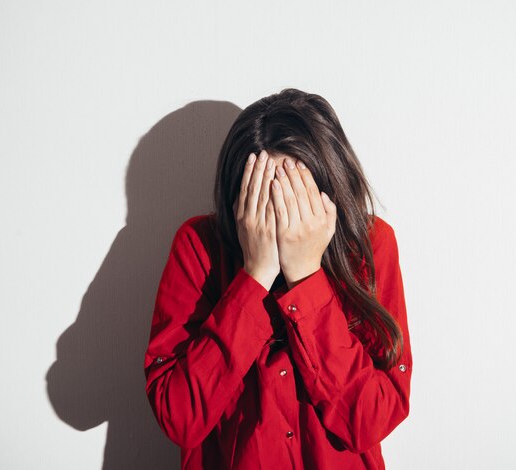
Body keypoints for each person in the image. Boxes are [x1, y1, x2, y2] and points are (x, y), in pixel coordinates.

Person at [144, 88, 413, 469]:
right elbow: (179, 417)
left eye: (296, 198)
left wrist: (307, 278)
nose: (281, 217)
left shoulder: (371, 246)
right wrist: (255, 277)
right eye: (262, 198)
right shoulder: (199, 247)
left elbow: (369, 420)